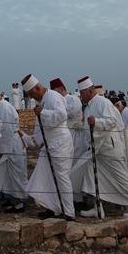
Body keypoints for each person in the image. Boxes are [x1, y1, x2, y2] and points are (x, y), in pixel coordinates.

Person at [73, 77, 128, 218]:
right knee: (91, 176)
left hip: (109, 148)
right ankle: (97, 207)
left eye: (82, 93)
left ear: (90, 91)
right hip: (96, 150)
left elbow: (112, 121)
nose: (81, 96)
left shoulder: (103, 102)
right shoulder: (89, 106)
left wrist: (96, 122)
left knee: (121, 178)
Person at [23, 74, 75, 220]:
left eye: (33, 95)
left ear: (38, 88)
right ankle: (54, 208)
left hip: (60, 144)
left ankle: (69, 212)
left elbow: (61, 115)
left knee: (61, 177)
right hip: (48, 145)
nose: (33, 98)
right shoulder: (43, 100)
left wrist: (43, 113)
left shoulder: (53, 96)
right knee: (45, 176)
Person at [0, 82, 28, 213]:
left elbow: (6, 130)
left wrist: (2, 150)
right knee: (7, 176)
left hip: (11, 146)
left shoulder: (3, 108)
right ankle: (9, 200)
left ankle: (20, 203)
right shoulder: (0, 107)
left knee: (16, 175)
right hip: (8, 145)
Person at [51, 78, 89, 206]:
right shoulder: (59, 101)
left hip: (75, 137)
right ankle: (70, 197)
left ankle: (78, 197)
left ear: (62, 89)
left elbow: (65, 114)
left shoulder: (72, 99)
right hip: (65, 137)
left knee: (75, 166)